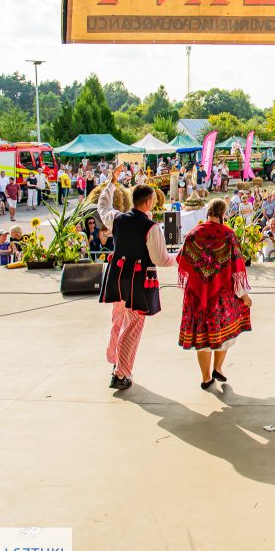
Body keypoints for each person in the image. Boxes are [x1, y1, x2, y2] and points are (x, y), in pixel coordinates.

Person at [98, 165, 176, 390]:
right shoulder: (151, 228)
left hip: (118, 277)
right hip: (138, 282)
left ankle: (115, 361)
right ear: (149, 202)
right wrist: (178, 258)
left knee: (119, 320)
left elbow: (103, 207)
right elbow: (160, 259)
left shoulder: (118, 218)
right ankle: (120, 373)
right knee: (133, 326)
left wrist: (112, 183)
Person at [177, 198, 253, 390]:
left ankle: (205, 378)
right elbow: (237, 270)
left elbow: (182, 261)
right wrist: (243, 295)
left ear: (207, 212)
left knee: (202, 336)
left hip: (197, 294)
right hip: (222, 294)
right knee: (224, 331)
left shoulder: (193, 234)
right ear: (223, 214)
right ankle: (217, 368)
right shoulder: (228, 235)